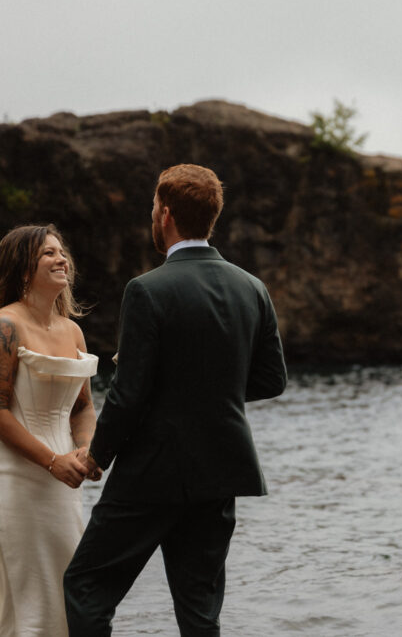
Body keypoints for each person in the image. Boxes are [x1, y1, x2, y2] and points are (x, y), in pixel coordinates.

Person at [63, 163, 287, 636]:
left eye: (151, 208)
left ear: (165, 214)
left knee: (87, 586)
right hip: (221, 471)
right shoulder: (252, 287)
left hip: (151, 473)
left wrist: (97, 455)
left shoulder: (146, 290)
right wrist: (208, 387)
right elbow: (272, 380)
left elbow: (129, 395)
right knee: (200, 610)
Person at [0, 224, 101, 637]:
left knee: (64, 585)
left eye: (62, 252)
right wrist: (51, 461)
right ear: (24, 268)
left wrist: (87, 451)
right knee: (25, 594)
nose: (62, 259)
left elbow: (82, 408)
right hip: (16, 476)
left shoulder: (72, 330)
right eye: (48, 253)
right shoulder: (4, 326)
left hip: (66, 477)